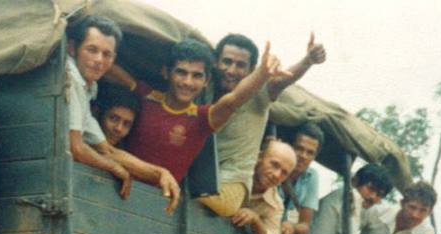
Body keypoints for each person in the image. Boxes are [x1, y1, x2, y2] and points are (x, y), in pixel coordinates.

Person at [103, 38, 282, 188]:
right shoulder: (147, 96)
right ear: (166, 72)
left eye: (197, 76)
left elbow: (234, 99)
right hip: (113, 184)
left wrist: (261, 75)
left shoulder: (203, 119)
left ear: (206, 81)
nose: (188, 82)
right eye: (181, 72)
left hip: (158, 207)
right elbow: (107, 67)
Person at [200, 33, 326, 217]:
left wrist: (308, 60)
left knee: (190, 196)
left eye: (240, 65)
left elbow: (282, 80)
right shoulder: (203, 88)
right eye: (226, 62)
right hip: (201, 177)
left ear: (252, 70)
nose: (231, 70)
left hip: (232, 183)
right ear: (216, 63)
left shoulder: (258, 92)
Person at [64, 16, 132, 198]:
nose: (99, 60)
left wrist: (160, 173)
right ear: (72, 48)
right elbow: (76, 148)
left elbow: (105, 149)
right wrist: (115, 168)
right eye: (92, 50)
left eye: (106, 54)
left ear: (113, 59)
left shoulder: (89, 86)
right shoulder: (70, 78)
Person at [93, 84, 180, 213]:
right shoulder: (87, 134)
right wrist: (161, 173)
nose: (119, 128)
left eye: (126, 124)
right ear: (98, 113)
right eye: (114, 118)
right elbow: (108, 152)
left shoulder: (124, 149)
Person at [229, 140, 297, 234]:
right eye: (275, 165)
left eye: (284, 173)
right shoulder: (236, 168)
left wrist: (256, 221)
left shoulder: (275, 204)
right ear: (259, 157)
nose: (277, 175)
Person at [309, 162, 394, 234]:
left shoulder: (370, 209)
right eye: (371, 188)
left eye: (379, 194)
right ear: (355, 181)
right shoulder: (336, 200)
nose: (373, 197)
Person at [280, 123, 323, 234]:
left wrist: (291, 227)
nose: (304, 156)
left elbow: (305, 226)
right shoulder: (275, 165)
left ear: (315, 156)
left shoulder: (311, 176)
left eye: (310, 153)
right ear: (290, 146)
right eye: (299, 149)